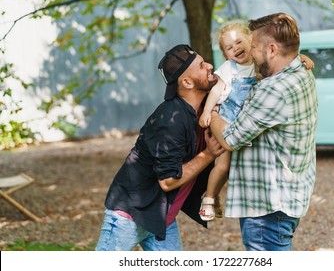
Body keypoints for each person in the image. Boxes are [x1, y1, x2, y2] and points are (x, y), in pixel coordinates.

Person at [95, 44, 224, 251]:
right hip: (130, 216)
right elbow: (167, 180)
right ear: (187, 82)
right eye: (201, 65)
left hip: (160, 217)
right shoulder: (170, 119)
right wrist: (208, 154)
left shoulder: (205, 109)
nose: (209, 65)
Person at [209, 13, 318, 251]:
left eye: (254, 47)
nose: (250, 52)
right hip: (289, 195)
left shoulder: (274, 89)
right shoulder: (301, 72)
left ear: (271, 50)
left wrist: (214, 114)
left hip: (267, 209)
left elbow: (230, 139)